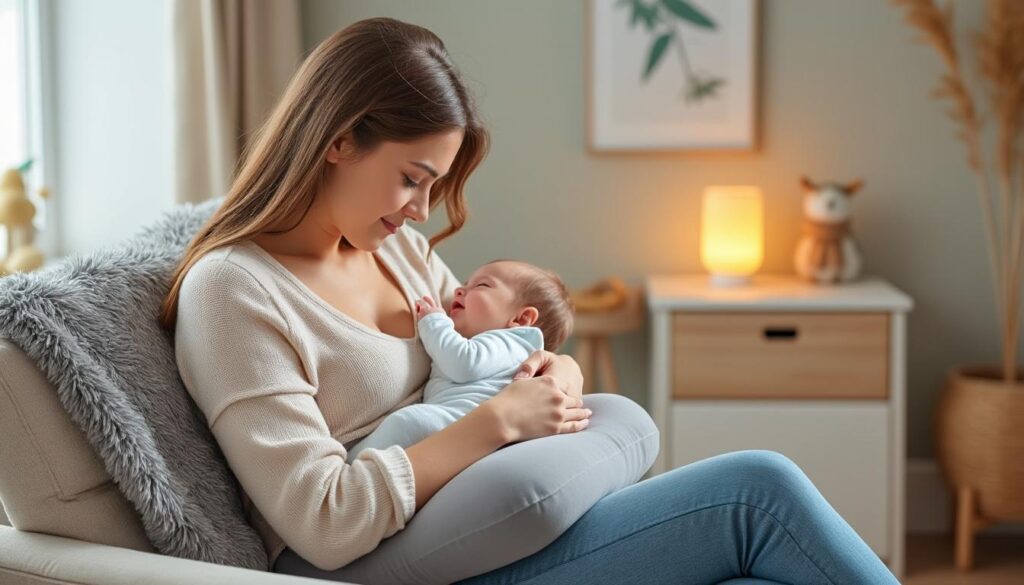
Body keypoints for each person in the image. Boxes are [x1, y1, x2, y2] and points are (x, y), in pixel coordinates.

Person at [161, 16, 900, 585]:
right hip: (369, 558)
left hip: (475, 512)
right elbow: (322, 518)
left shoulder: (392, 248)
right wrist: (495, 423)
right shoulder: (234, 290)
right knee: (756, 493)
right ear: (339, 140)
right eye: (412, 177)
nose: (422, 210)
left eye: (432, 186)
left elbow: (514, 350)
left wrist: (557, 375)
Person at [346, 260, 573, 460]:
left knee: (407, 422)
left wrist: (434, 321)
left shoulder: (516, 343)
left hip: (467, 426)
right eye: (465, 283)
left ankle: (350, 467)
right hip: (461, 432)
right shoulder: (487, 340)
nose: (458, 290)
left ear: (521, 318)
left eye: (481, 285)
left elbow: (465, 363)